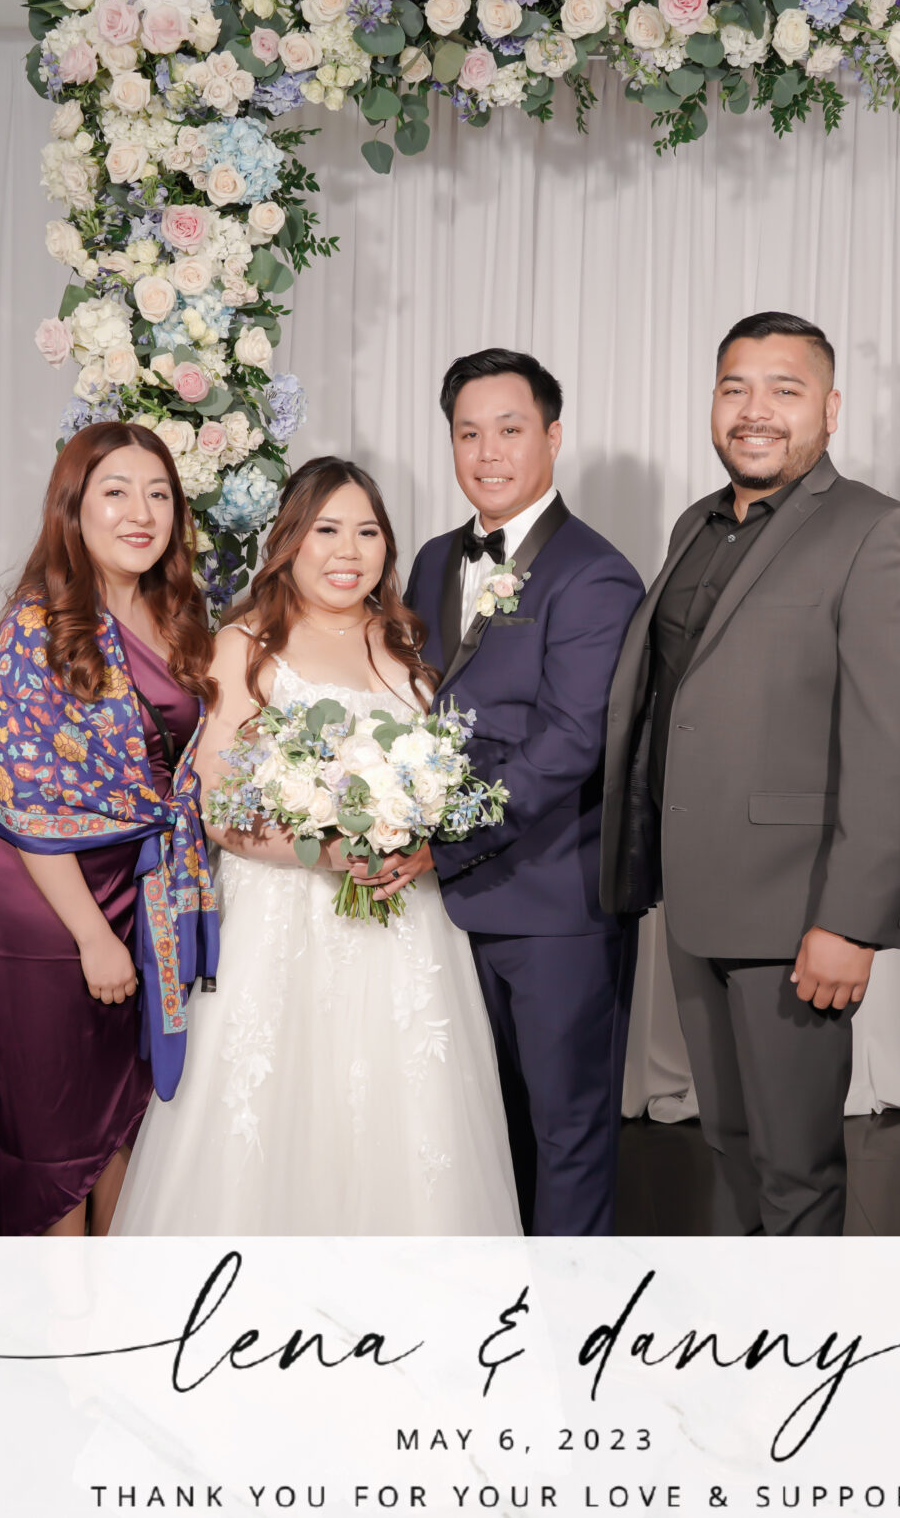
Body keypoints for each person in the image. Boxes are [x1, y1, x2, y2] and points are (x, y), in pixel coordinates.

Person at [600, 311, 900, 1237]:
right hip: (695, 896)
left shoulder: (881, 532)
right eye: (735, 388)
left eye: (784, 390)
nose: (755, 410)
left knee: (794, 1165)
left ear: (829, 409)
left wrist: (852, 922)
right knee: (727, 1142)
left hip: (799, 912)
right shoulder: (698, 523)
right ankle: (744, 1316)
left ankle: (803, 1323)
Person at [112, 457, 520, 1235]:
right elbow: (215, 805)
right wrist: (326, 851)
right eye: (327, 530)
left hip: (403, 924)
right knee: (274, 1116)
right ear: (289, 541)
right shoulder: (245, 645)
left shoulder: (406, 643)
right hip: (281, 922)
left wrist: (413, 824)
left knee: (404, 1119)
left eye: (367, 532)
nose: (348, 551)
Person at [376, 349, 645, 1235]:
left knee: (566, 1128)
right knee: (473, 1128)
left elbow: (567, 744)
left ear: (553, 437)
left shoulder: (594, 573)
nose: (487, 452)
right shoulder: (430, 559)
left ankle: (569, 1307)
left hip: (553, 901)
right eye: (468, 433)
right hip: (442, 907)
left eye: (510, 429)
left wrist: (442, 835)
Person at [0, 422, 220, 1237]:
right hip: (50, 898)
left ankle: (116, 1295)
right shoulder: (37, 626)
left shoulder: (177, 612)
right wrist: (92, 936)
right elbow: (26, 797)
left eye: (158, 494)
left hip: (144, 886)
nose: (141, 512)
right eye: (116, 492)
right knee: (53, 1133)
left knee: (124, 1117)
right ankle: (58, 1305)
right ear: (73, 508)